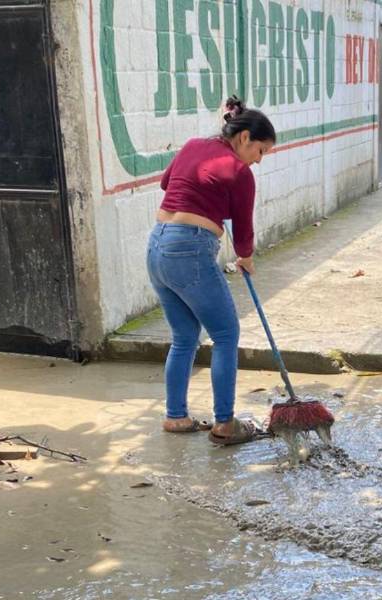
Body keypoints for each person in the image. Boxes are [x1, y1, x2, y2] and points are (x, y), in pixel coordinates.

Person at [147, 96, 276, 445]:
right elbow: (244, 229)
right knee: (225, 334)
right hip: (189, 249)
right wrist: (245, 257)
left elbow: (166, 184)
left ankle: (175, 417)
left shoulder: (192, 146)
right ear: (245, 137)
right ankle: (224, 424)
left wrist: (209, 196)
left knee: (185, 337)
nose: (259, 160)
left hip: (157, 247)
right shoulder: (239, 172)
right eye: (261, 150)